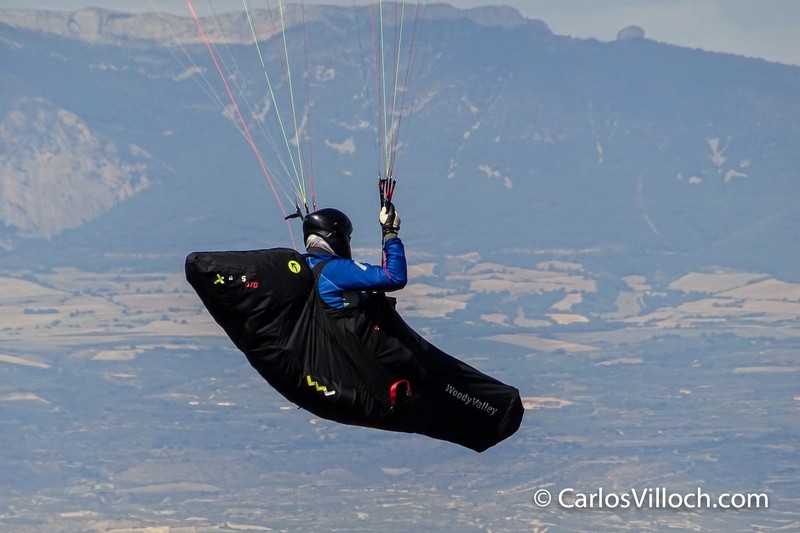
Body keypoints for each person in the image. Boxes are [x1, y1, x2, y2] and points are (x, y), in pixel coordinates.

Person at [302, 204, 406, 309]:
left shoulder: (302, 267)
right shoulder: (337, 270)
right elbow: (394, 277)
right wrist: (390, 232)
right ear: (336, 238)